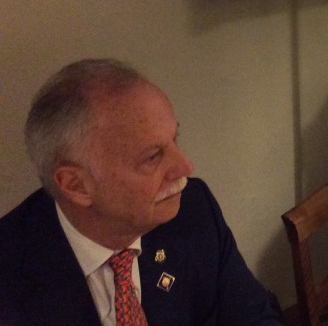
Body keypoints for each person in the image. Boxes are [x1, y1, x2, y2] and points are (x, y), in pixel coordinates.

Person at [0, 59, 283, 325]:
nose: (185, 167)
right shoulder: (11, 277)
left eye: (175, 139)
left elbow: (254, 316)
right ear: (76, 185)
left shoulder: (194, 210)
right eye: (152, 157)